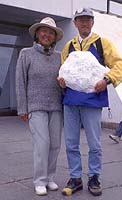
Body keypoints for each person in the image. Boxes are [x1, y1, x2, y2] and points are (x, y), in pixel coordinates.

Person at [58, 7, 122, 196]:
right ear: (75, 23)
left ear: (93, 22)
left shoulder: (102, 43)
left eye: (88, 20)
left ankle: (94, 176)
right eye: (81, 20)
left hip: (92, 101)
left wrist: (107, 80)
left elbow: (119, 64)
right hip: (70, 101)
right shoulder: (68, 46)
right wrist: (61, 81)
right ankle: (75, 177)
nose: (84, 23)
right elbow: (63, 71)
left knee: (94, 143)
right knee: (71, 142)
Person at [16, 17, 63, 196]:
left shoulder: (59, 57)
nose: (47, 35)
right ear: (37, 33)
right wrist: (22, 108)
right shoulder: (26, 54)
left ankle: (50, 177)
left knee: (55, 144)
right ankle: (39, 180)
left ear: (54, 37)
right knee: (42, 144)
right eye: (44, 31)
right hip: (36, 106)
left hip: (56, 106)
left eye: (51, 33)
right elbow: (20, 82)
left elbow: (63, 81)